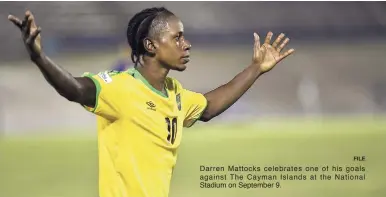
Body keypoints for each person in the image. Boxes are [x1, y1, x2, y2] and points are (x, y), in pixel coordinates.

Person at [8, 7, 295, 197]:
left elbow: (210, 106)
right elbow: (74, 88)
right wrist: (39, 57)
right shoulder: (120, 88)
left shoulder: (175, 93)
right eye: (178, 37)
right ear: (151, 45)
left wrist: (255, 68)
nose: (187, 44)